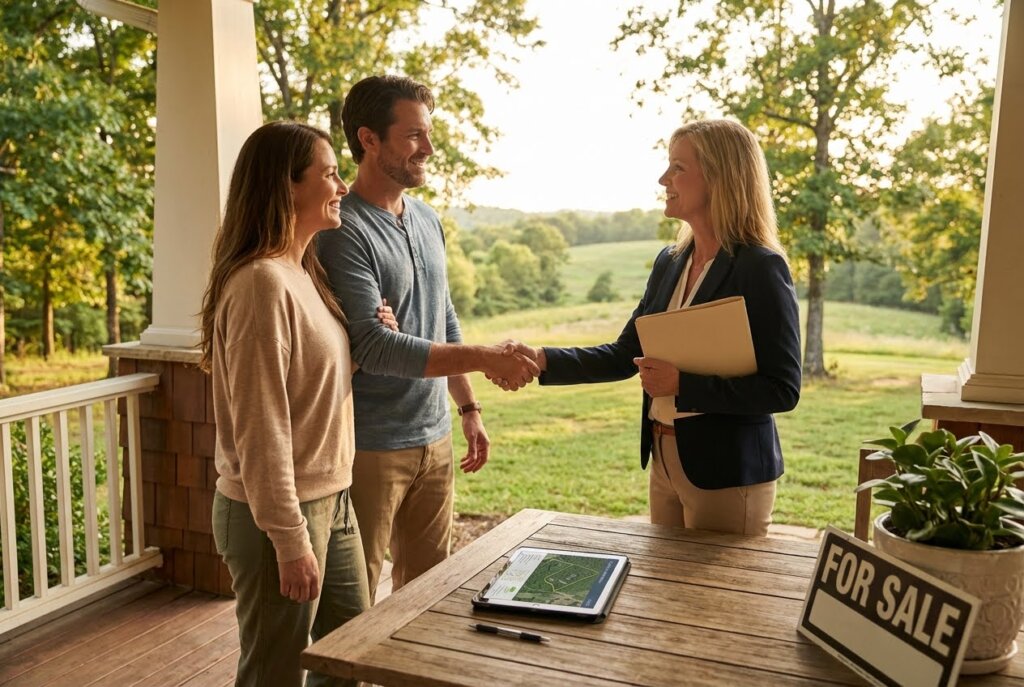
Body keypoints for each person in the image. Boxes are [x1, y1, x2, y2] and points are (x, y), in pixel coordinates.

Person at [512, 119, 801, 536]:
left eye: (678, 168)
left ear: (720, 176)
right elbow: (624, 353)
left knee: (715, 602)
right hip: (665, 457)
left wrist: (682, 384)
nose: (664, 178)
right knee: (666, 594)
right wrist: (541, 360)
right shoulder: (670, 261)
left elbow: (782, 389)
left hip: (728, 472)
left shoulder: (760, 267)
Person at [316, 75, 538, 601]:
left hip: (434, 439)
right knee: (353, 603)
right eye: (414, 136)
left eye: (428, 134)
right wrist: (488, 357)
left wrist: (468, 408)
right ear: (369, 139)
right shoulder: (342, 228)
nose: (429, 149)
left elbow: (443, 317)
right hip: (370, 446)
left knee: (426, 596)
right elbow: (374, 345)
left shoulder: (426, 218)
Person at [200, 121, 397, 686]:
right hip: (276, 515)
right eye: (329, 174)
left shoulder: (301, 272)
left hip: (330, 500)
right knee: (274, 673)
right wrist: (289, 539)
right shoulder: (262, 284)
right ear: (286, 188)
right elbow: (261, 427)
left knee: (349, 654)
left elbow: (305, 380)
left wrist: (359, 348)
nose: (341, 186)